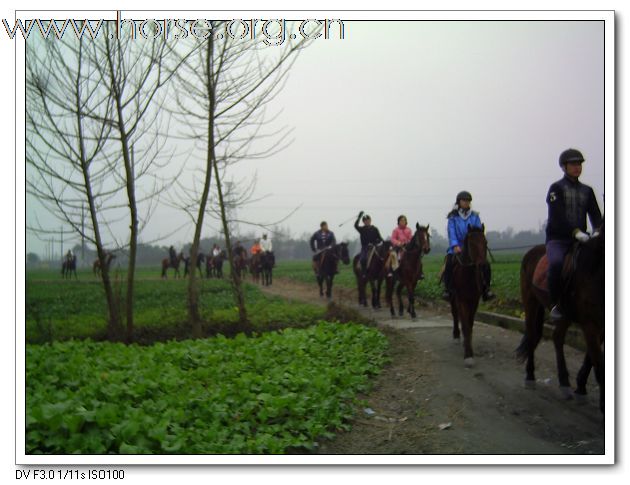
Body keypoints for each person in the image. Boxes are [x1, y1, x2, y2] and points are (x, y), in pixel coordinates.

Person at [545, 148, 602, 321]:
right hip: (559, 239)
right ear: (564, 167)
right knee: (555, 264)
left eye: (579, 164)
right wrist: (575, 232)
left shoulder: (587, 190)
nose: (577, 167)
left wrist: (598, 231)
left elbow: (595, 215)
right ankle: (556, 304)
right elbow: (558, 216)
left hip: (583, 238)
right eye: (573, 164)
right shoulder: (556, 189)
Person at [441, 191, 495, 302]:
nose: (466, 203)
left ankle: (486, 289)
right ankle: (448, 289)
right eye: (464, 200)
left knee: (486, 264)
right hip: (458, 247)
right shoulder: (453, 217)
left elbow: (479, 231)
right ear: (459, 202)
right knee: (449, 263)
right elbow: (451, 232)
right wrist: (455, 245)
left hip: (473, 247)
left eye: (468, 201)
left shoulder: (475, 216)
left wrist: (479, 244)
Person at [354, 211, 383, 277]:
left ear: (370, 220)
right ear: (363, 222)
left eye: (368, 220)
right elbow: (355, 225)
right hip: (365, 247)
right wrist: (359, 217)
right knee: (363, 259)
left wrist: (378, 241)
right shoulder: (362, 229)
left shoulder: (375, 229)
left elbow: (380, 238)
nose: (367, 221)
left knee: (382, 257)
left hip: (374, 247)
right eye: (365, 220)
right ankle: (364, 272)